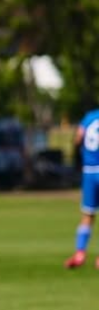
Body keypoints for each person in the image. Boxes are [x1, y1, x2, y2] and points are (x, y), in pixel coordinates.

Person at [65, 109, 99, 268]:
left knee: (87, 214)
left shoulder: (89, 117)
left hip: (89, 171)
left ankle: (80, 254)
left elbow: (78, 138)